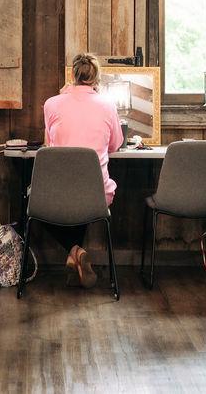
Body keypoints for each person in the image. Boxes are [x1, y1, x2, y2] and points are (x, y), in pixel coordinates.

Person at [42, 53, 122, 289]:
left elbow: (49, 144)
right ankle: (77, 252)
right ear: (96, 78)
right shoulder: (107, 105)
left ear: (72, 74)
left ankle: (74, 252)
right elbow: (115, 145)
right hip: (96, 195)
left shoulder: (52, 103)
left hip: (59, 193)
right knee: (83, 198)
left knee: (34, 199)